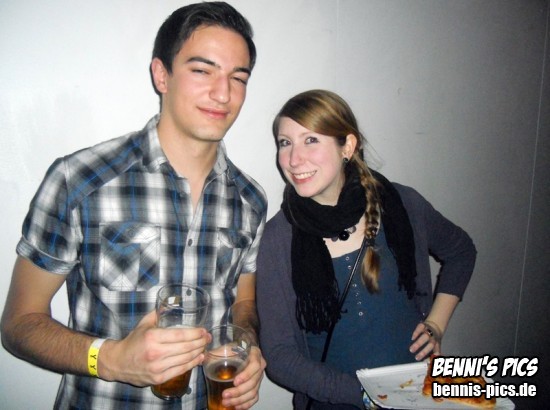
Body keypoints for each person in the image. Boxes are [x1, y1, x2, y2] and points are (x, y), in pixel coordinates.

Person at [0, 2, 267, 409]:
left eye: (238, 77)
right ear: (162, 74)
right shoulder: (80, 180)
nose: (223, 93)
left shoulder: (250, 200)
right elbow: (19, 324)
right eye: (202, 70)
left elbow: (244, 303)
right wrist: (110, 360)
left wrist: (246, 346)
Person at [256, 89, 476, 409]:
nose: (293, 159)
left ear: (347, 146)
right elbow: (279, 357)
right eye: (285, 142)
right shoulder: (277, 239)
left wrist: (437, 325)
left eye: (311, 140)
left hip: (416, 391)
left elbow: (461, 251)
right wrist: (365, 395)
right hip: (335, 403)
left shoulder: (401, 205)